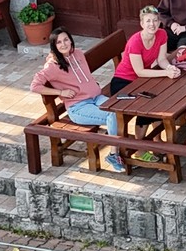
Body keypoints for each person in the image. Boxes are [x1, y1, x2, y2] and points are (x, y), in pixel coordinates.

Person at [29, 29, 122, 171]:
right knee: (112, 115)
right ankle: (114, 154)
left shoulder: (77, 53)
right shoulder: (52, 66)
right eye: (59, 42)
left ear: (71, 40)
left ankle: (119, 144)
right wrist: (60, 92)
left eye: (66, 39)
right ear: (54, 46)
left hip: (96, 97)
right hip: (79, 107)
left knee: (118, 110)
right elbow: (34, 86)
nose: (63, 44)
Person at [109, 5, 178, 93]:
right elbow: (140, 71)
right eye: (148, 21)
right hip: (123, 81)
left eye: (155, 20)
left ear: (159, 22)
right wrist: (166, 73)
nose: (152, 24)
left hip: (142, 80)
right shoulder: (135, 42)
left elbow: (161, 59)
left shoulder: (162, 34)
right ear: (142, 24)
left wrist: (169, 67)